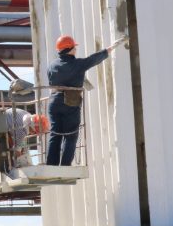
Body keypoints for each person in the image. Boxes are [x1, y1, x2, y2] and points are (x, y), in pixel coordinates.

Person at [46, 34, 126, 166]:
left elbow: (52, 81)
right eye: (74, 47)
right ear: (70, 48)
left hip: (54, 102)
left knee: (56, 135)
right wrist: (109, 49)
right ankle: (65, 166)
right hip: (70, 103)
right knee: (70, 135)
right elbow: (94, 59)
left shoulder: (52, 66)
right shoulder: (78, 64)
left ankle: (51, 165)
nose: (76, 50)